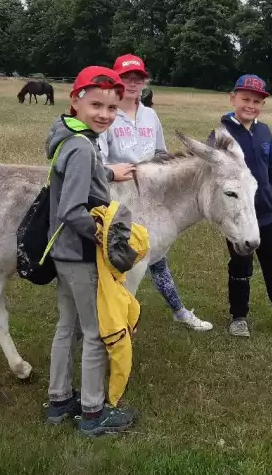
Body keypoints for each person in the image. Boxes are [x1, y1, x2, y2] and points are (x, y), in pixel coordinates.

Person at [44, 65, 137, 436]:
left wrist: (107, 173)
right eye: (96, 104)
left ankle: (59, 400)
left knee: (66, 326)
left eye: (112, 108)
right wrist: (105, 238)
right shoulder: (82, 147)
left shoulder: (67, 136)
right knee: (96, 332)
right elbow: (71, 210)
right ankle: (94, 413)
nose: (104, 114)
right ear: (75, 101)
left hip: (61, 253)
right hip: (81, 255)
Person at [99, 54, 214, 332]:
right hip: (122, 199)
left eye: (138, 78)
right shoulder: (108, 114)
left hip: (154, 199)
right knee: (128, 260)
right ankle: (119, 316)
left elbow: (162, 153)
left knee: (157, 256)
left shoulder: (151, 114)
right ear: (116, 80)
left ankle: (179, 311)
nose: (133, 83)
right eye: (126, 78)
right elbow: (100, 161)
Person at [208, 74, 272, 337]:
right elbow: (213, 178)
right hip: (239, 216)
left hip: (264, 213)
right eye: (245, 99)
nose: (250, 105)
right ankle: (239, 316)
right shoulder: (221, 135)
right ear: (233, 98)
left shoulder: (264, 131)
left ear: (262, 104)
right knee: (241, 266)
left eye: (256, 101)